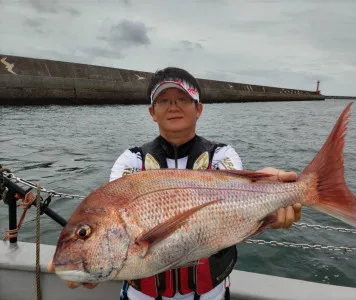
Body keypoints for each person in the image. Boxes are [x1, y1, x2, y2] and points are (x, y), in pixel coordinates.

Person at [48, 67, 302, 300]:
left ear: (198, 108)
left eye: (182, 99)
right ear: (152, 112)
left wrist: (273, 201)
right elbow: (112, 221)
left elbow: (236, 208)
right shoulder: (131, 160)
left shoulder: (222, 155)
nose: (173, 107)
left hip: (209, 294)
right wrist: (85, 258)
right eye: (163, 100)